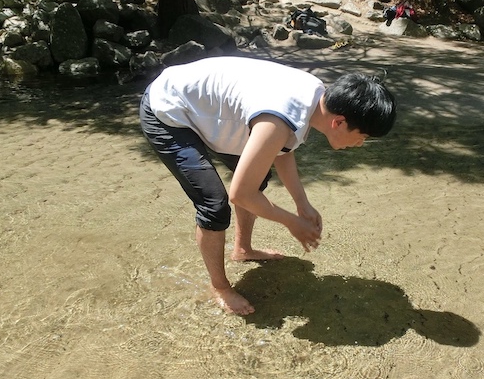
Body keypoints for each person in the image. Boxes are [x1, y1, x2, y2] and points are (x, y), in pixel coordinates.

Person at [139, 56, 396, 315]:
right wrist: (291, 222)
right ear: (338, 122)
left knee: (257, 178)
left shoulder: (316, 99)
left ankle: (243, 249)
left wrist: (301, 204)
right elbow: (240, 194)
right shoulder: (280, 117)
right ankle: (220, 287)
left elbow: (283, 148)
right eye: (362, 136)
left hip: (207, 108)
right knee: (214, 205)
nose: (360, 144)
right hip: (169, 110)